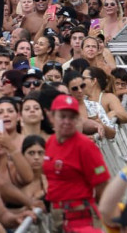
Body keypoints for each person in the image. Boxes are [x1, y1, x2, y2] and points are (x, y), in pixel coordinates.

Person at [43, 94, 110, 230]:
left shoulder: (85, 146)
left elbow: (102, 183)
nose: (67, 121)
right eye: (62, 116)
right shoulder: (50, 143)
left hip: (81, 218)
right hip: (56, 217)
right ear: (51, 117)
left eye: (72, 117)